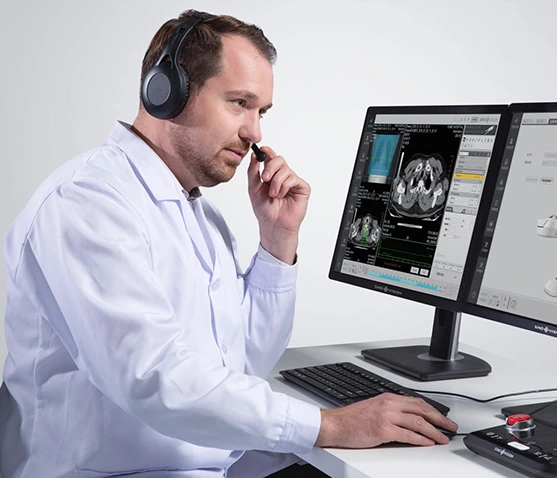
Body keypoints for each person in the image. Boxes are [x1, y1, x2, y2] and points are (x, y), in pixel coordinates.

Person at [0, 10, 457, 478]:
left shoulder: (200, 216)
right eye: (240, 103)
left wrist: (277, 240)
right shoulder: (88, 203)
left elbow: (243, 363)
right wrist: (330, 425)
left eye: (262, 112)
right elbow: (154, 379)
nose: (255, 133)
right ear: (167, 92)